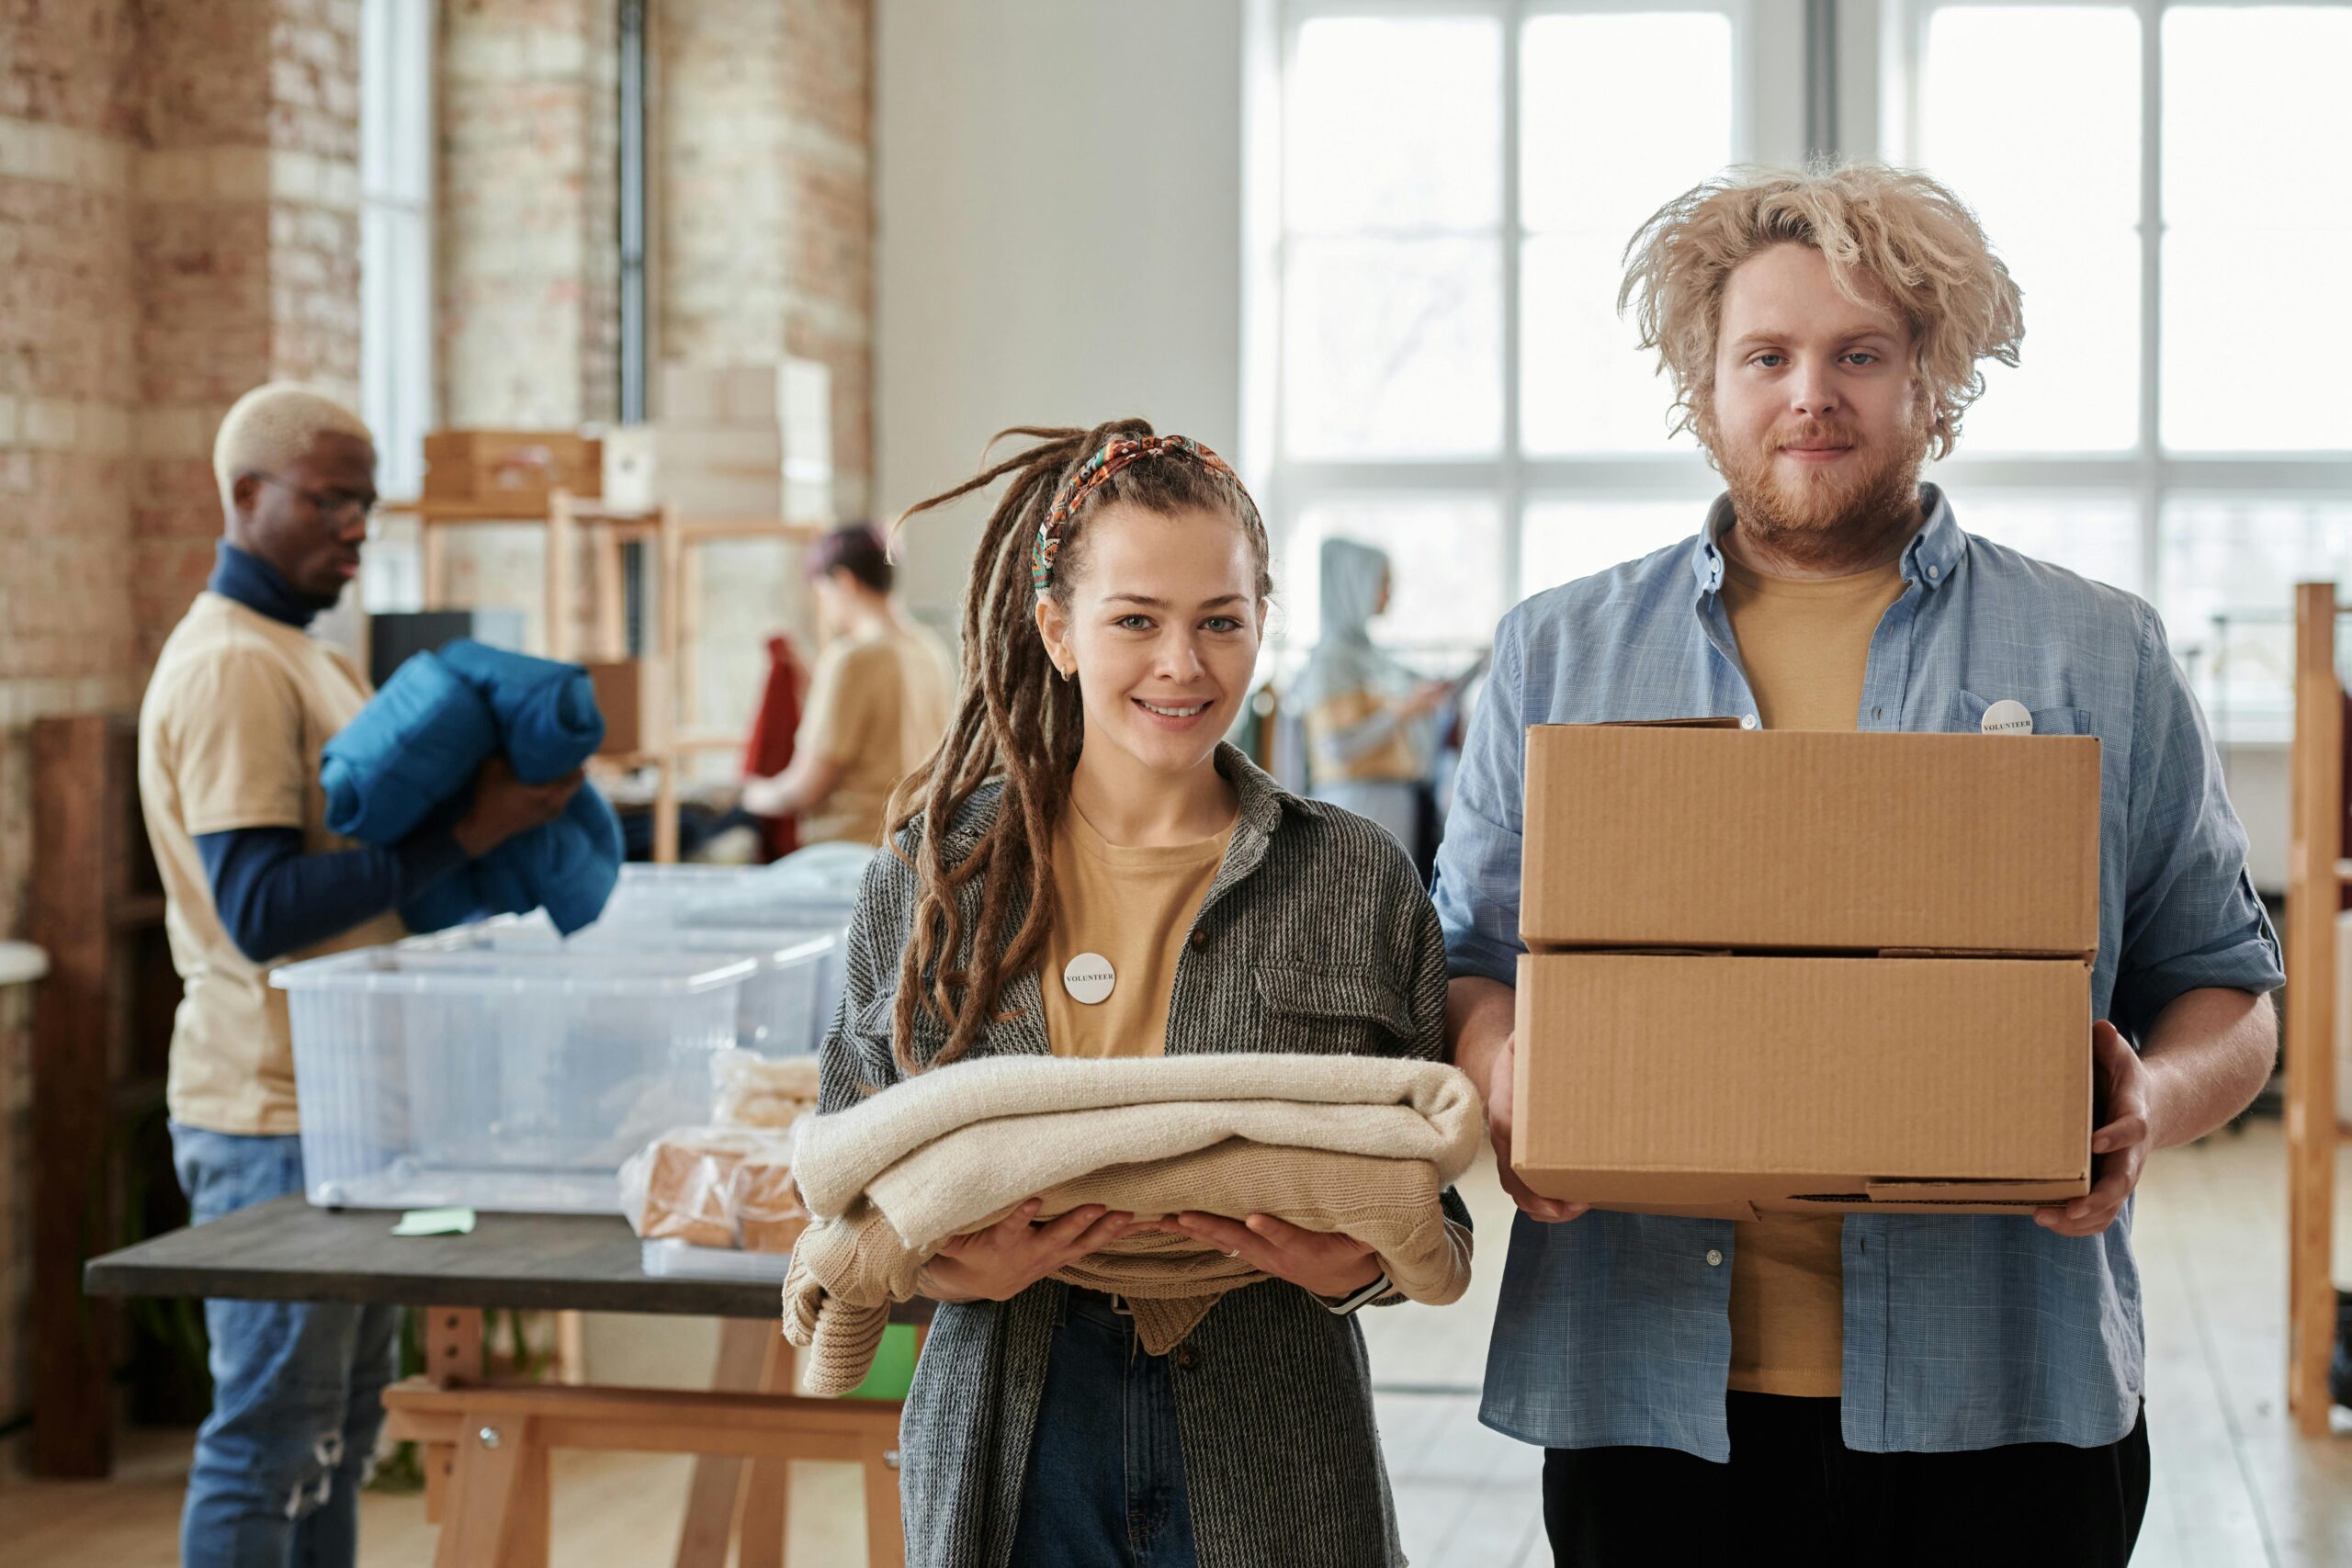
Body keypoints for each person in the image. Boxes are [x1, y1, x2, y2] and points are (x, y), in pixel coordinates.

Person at [1433, 165, 2284, 1564]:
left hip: (2003, 1391)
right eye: (1766, 355)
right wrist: (1507, 1069)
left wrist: (2153, 1103)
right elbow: (1470, 952)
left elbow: (2230, 989)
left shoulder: (2096, 652)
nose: (1808, 394)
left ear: (1933, 383)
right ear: (1703, 384)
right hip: (1652, 1389)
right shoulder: (1560, 653)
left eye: (1859, 355)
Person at [816, 421, 1462, 1566]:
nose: (1183, 665)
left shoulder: (1353, 878)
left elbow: (1428, 1197)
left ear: (1263, 627)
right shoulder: (937, 875)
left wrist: (1356, 1269)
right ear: (1057, 631)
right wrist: (942, 1264)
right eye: (1136, 622)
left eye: (1221, 621)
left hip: (1270, 1415)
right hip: (1019, 1409)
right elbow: (851, 1157)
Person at [140, 384, 580, 1567]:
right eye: (330, 498)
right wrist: (470, 836)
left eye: (365, 502)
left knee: (334, 1430)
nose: (356, 527)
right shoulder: (234, 668)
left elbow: (358, 876)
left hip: (344, 1114)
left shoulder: (302, 656)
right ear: (244, 497)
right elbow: (263, 911)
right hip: (271, 1112)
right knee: (271, 1436)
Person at [740, 522, 955, 845]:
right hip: (915, 848)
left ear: (844, 581)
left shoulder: (851, 660)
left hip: (853, 853)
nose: (825, 606)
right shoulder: (931, 651)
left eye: (823, 592)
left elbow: (806, 787)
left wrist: (750, 795)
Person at [1295, 537, 1450, 870]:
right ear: (1355, 583)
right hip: (1358, 806)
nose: (1389, 593)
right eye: (1382, 582)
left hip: (1391, 803)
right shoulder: (1332, 660)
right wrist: (1406, 710)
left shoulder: (1371, 657)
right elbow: (1335, 746)